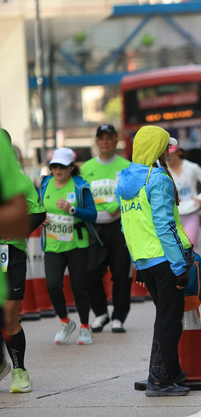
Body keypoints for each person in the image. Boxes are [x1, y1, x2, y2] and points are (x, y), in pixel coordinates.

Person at [116, 125, 193, 397]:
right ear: (156, 148)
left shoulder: (125, 178)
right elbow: (165, 225)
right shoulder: (158, 179)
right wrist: (179, 266)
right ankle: (159, 380)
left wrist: (137, 263)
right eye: (165, 146)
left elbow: (127, 227)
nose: (168, 150)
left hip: (145, 260)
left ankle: (173, 373)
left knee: (166, 317)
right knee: (169, 320)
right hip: (166, 259)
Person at [40, 148, 98, 345]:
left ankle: (85, 326)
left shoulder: (80, 186)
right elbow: (37, 208)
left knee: (78, 287)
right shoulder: (44, 184)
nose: (57, 170)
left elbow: (93, 215)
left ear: (71, 167)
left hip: (77, 245)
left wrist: (72, 209)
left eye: (62, 166)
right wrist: (40, 218)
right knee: (52, 285)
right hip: (52, 244)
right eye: (54, 166)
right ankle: (65, 321)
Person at [81, 124, 133, 333]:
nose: (105, 141)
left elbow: (133, 191)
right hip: (94, 228)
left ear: (116, 140)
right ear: (96, 141)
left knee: (121, 273)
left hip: (120, 227)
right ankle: (101, 313)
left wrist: (117, 205)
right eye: (101, 138)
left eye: (109, 137)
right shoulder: (86, 168)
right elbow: (81, 195)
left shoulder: (127, 166)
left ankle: (119, 317)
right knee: (90, 272)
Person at [0, 129, 33, 393]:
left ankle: (20, 371)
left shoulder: (19, 180)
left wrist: (14, 227)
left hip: (11, 253)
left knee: (10, 315)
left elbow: (37, 214)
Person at [167, 140, 201, 246]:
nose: (167, 157)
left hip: (191, 212)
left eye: (170, 154)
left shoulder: (192, 167)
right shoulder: (163, 170)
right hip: (172, 215)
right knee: (175, 248)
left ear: (177, 152)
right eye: (164, 154)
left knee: (189, 246)